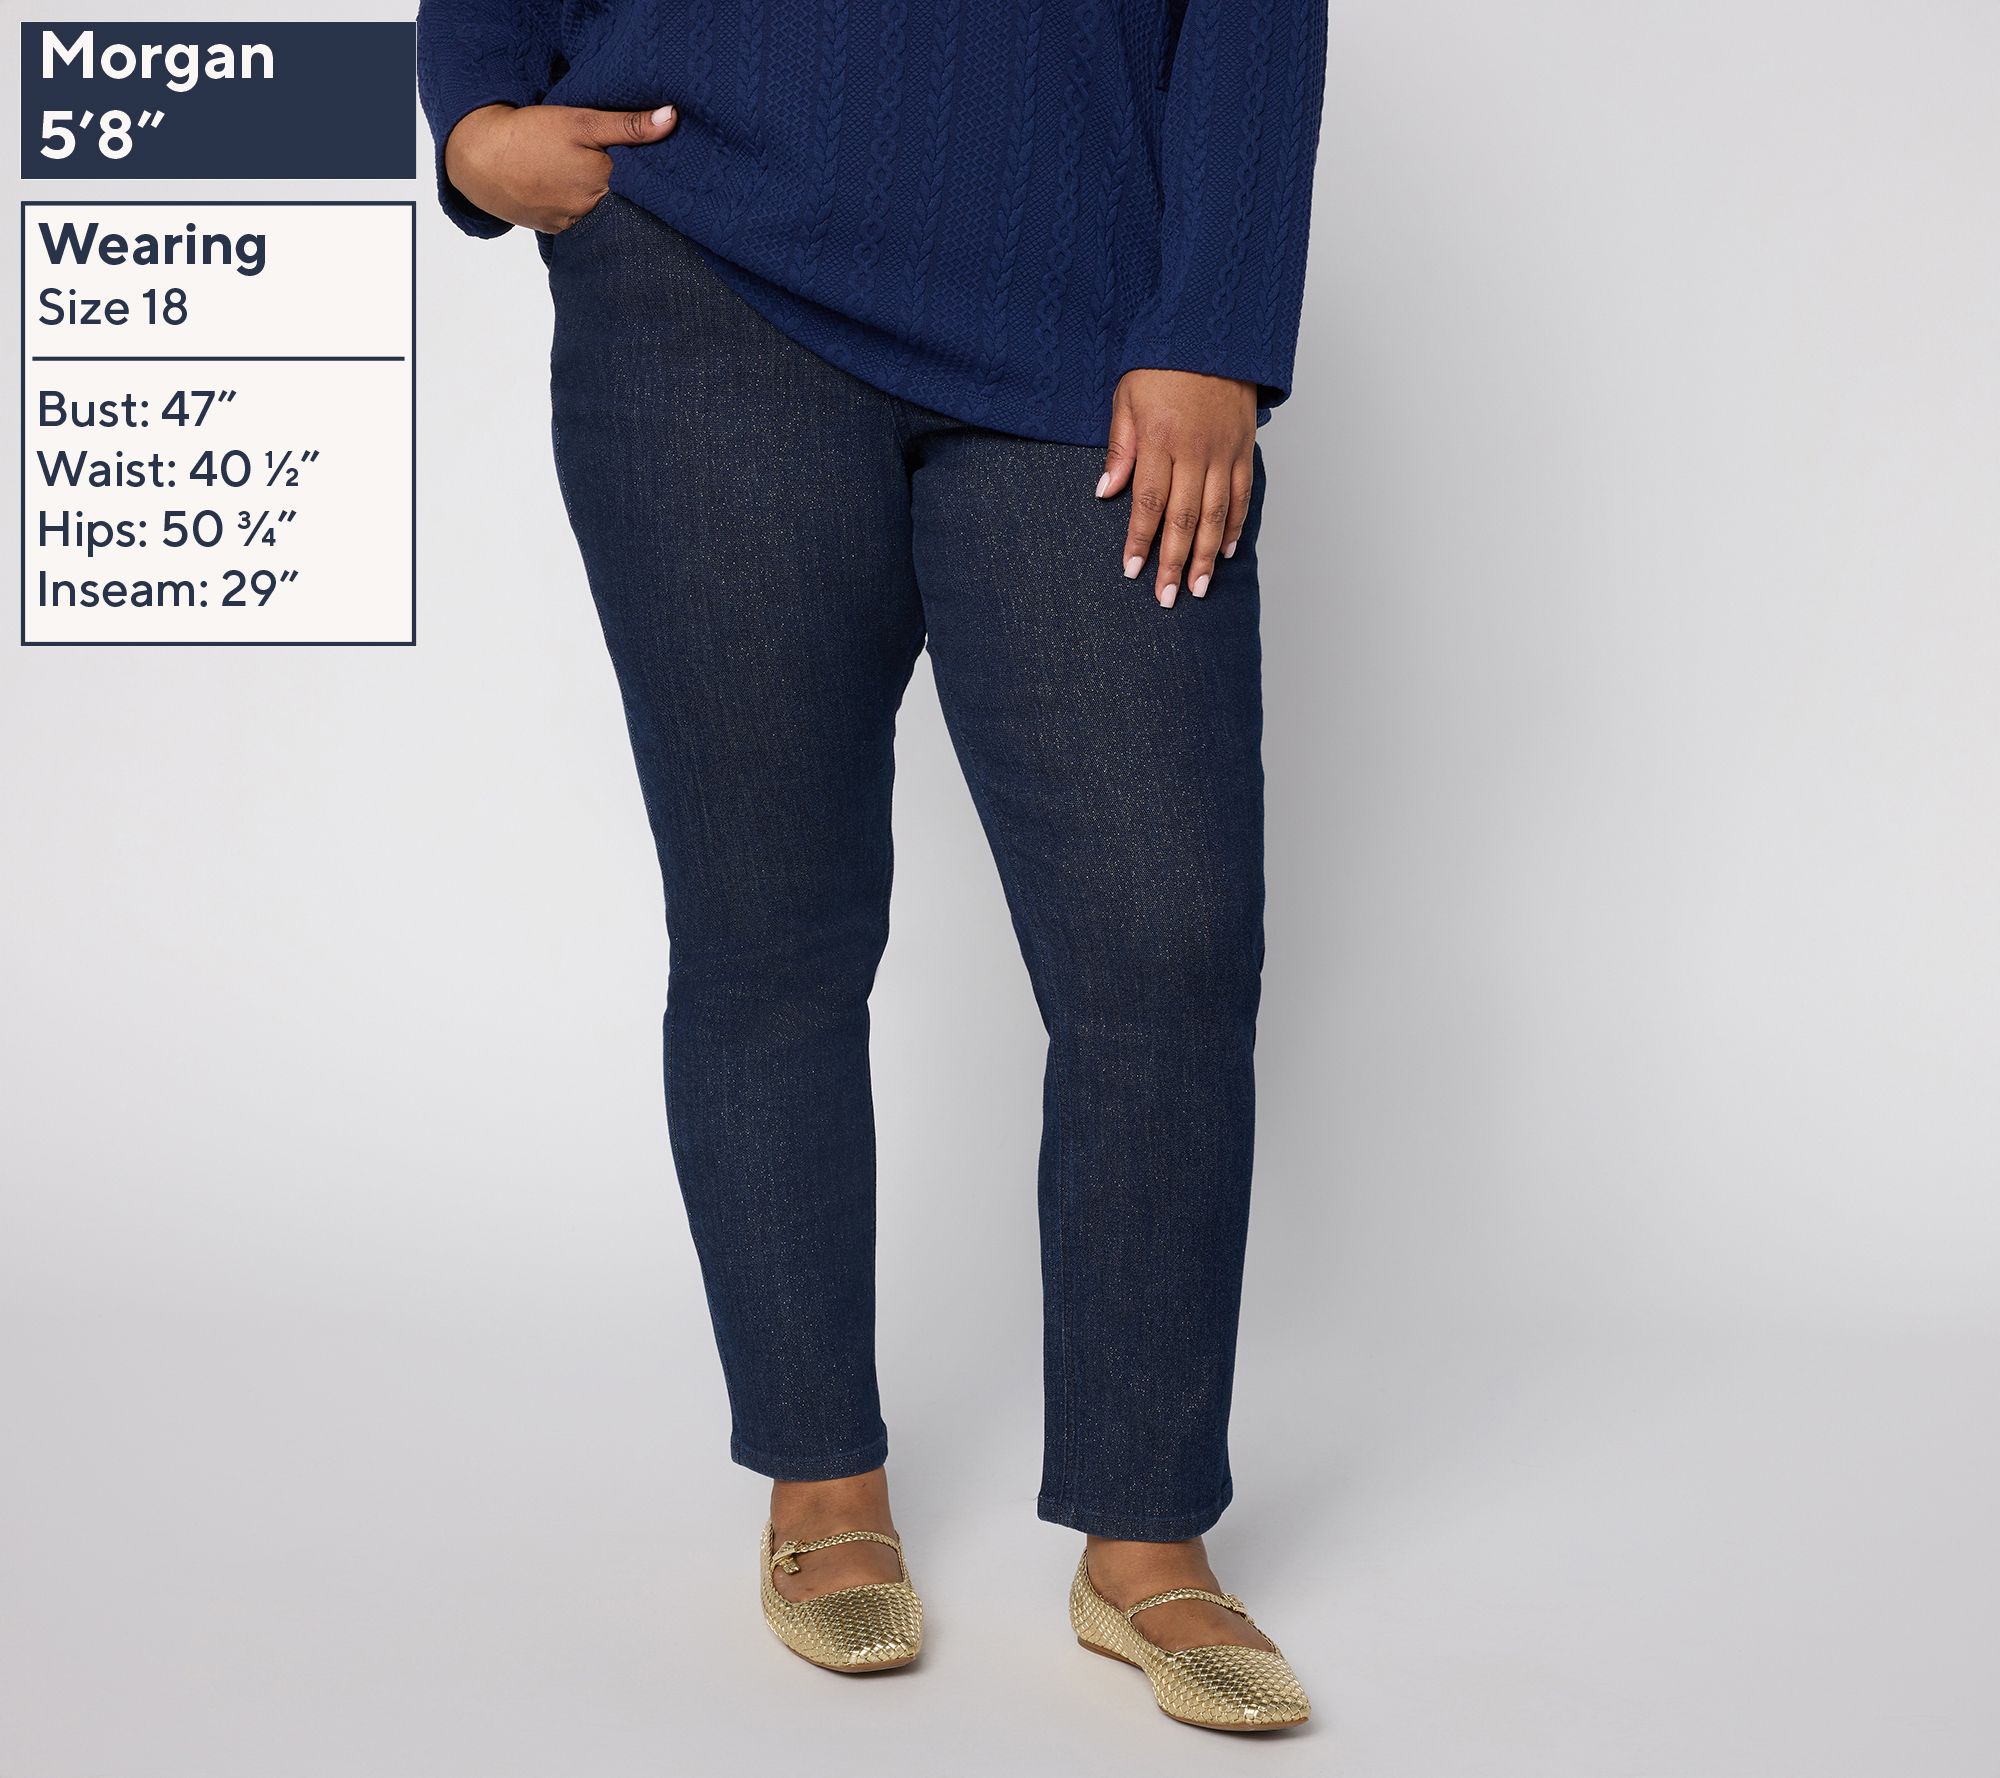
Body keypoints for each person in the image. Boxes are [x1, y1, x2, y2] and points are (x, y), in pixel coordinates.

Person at [418, 0, 1326, 1732]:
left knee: (1165, 936)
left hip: (1091, 321)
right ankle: (820, 1478)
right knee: (771, 931)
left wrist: (1217, 323)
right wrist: (473, 118)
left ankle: (1146, 1530)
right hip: (704, 289)